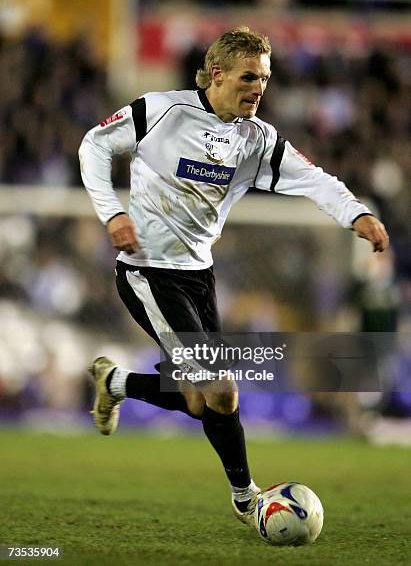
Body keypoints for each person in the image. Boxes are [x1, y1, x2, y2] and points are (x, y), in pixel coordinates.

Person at [79, 27, 389, 528]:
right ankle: (247, 499)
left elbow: (313, 179)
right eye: (249, 77)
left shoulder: (256, 138)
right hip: (147, 271)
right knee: (221, 390)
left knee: (204, 403)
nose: (259, 88)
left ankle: (114, 381)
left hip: (200, 277)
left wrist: (357, 214)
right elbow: (93, 146)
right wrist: (112, 213)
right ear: (217, 73)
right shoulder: (159, 111)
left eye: (265, 78)